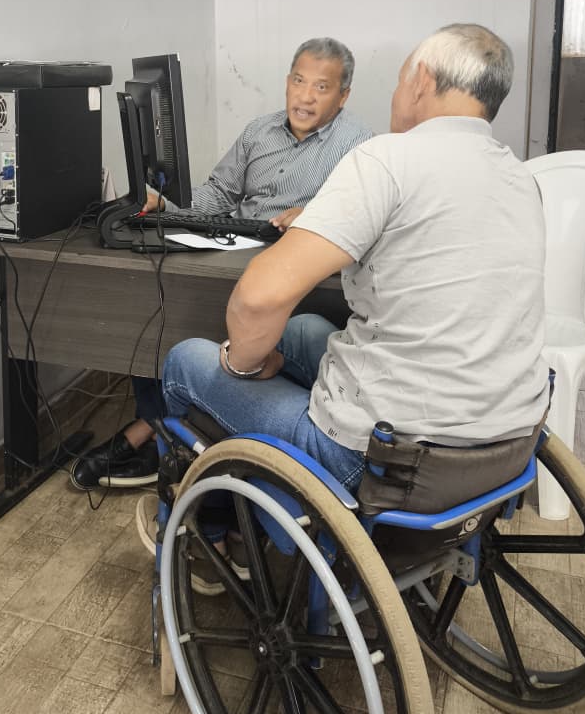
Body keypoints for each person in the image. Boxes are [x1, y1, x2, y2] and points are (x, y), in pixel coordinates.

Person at [144, 24, 548, 535]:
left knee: (186, 360)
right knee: (305, 329)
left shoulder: (384, 158)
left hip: (385, 458)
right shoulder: (523, 177)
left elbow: (259, 297)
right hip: (505, 447)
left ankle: (217, 528)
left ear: (421, 81)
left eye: (399, 80)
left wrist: (239, 366)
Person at [69, 37, 373, 490]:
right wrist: (167, 205)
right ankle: (160, 428)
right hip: (234, 250)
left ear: (343, 96)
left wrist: (316, 215)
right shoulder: (258, 132)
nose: (306, 96)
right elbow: (218, 195)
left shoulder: (361, 147)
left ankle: (153, 436)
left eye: (321, 87)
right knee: (155, 298)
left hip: (297, 272)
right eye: (298, 81)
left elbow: (363, 219)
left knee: (228, 327)